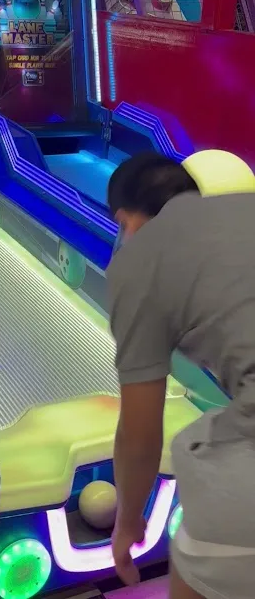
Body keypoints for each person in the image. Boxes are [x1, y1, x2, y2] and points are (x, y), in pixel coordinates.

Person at [106, 151, 255, 599]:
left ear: (125, 220)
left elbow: (139, 436)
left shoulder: (139, 259)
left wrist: (127, 522)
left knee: (203, 549)